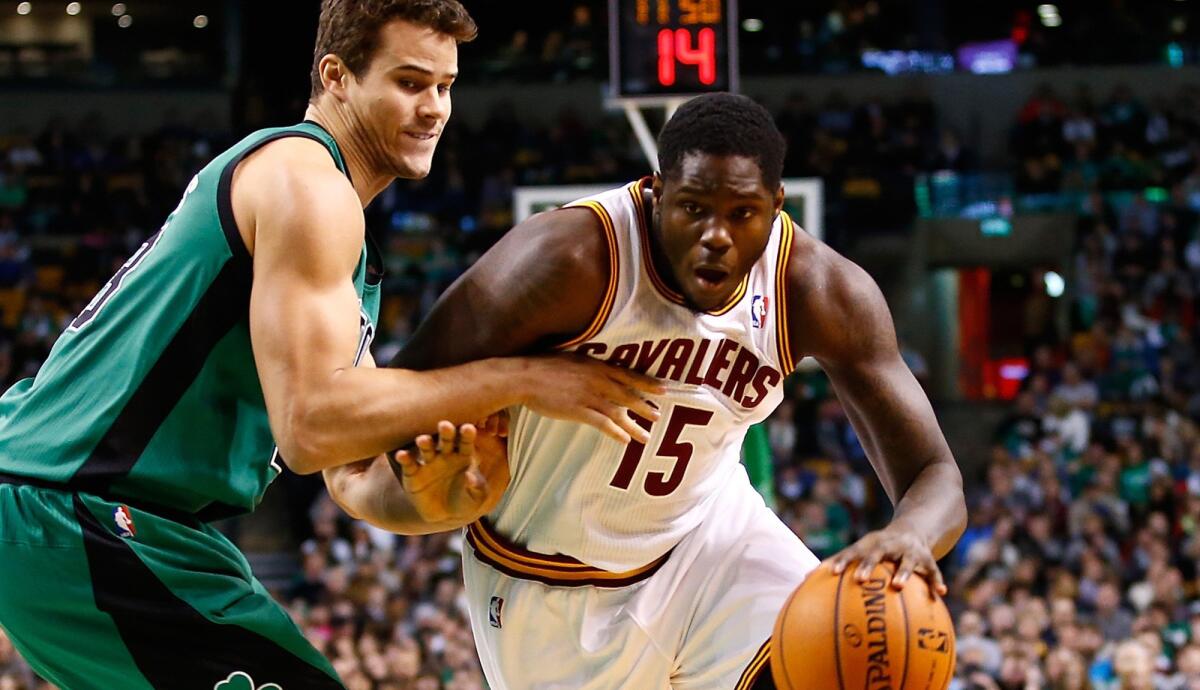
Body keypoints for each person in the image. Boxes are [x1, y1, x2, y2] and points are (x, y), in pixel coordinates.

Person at [0, 2, 657, 688]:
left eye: (446, 86)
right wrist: (522, 378)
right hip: (72, 510)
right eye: (410, 82)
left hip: (116, 523)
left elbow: (348, 474)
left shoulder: (331, 219)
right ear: (336, 76)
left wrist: (439, 504)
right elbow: (312, 424)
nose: (435, 108)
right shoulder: (308, 186)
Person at [330, 93, 968, 688]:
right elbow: (385, 406)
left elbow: (934, 473)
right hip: (548, 580)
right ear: (657, 194)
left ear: (777, 205)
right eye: (694, 207)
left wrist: (911, 534)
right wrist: (450, 457)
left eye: (742, 213)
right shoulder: (565, 262)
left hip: (711, 540)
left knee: (853, 662)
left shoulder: (819, 291)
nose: (716, 235)